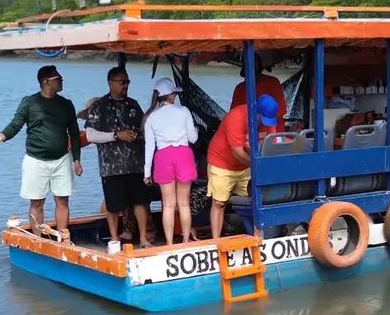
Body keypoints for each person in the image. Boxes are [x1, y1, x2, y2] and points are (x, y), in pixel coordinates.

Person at [0, 64, 83, 243]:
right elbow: (16, 123)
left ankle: (63, 238)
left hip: (62, 159)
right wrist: (3, 136)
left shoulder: (66, 104)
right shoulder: (30, 102)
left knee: (62, 200)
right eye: (58, 78)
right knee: (37, 202)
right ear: (45, 81)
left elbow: (75, 134)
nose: (62, 80)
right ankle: (38, 240)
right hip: (35, 159)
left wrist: (77, 159)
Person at [83, 67, 151, 248]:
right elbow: (90, 135)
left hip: (136, 164)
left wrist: (139, 134)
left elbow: (144, 127)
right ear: (110, 82)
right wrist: (115, 135)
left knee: (140, 202)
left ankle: (143, 238)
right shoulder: (100, 106)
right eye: (122, 82)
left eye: (127, 82)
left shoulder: (133, 104)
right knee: (113, 206)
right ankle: (114, 238)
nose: (126, 85)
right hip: (111, 166)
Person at [206, 94, 279, 239]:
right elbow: (237, 152)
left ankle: (256, 235)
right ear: (255, 112)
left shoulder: (269, 122)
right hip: (222, 162)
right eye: (262, 119)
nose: (265, 123)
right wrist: (258, 168)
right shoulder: (236, 117)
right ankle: (215, 241)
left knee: (255, 199)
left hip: (245, 166)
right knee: (219, 203)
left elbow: (272, 146)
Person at [142, 77, 199, 245]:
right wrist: (195, 129)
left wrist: (146, 173)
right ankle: (186, 240)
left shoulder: (151, 118)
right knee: (184, 203)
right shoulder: (184, 111)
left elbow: (149, 147)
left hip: (163, 157)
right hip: (183, 155)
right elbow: (193, 139)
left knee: (167, 205)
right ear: (171, 95)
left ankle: (168, 243)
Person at [230, 52, 286, 132]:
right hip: (249, 133)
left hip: (274, 133)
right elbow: (234, 114)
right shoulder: (240, 88)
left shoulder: (272, 82)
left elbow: (281, 110)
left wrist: (260, 120)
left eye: (253, 65)